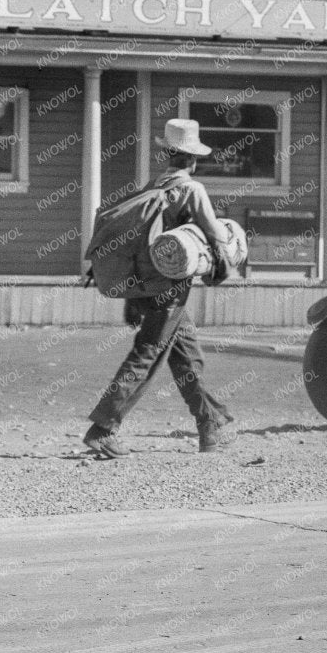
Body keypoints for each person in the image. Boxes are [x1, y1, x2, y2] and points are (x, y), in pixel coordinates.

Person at [81, 118, 237, 459]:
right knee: (148, 353)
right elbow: (218, 236)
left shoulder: (152, 187)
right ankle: (103, 428)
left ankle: (209, 426)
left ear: (167, 154)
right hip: (171, 287)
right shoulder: (191, 189)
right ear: (193, 160)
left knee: (187, 357)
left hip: (147, 285)